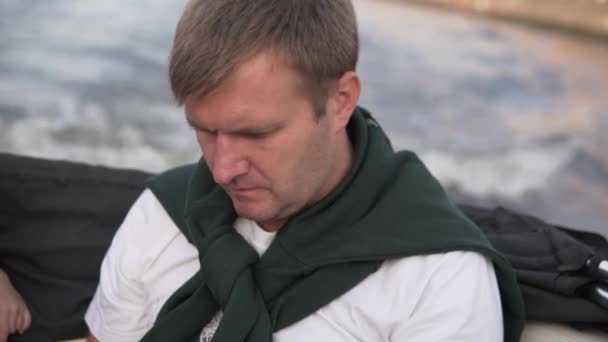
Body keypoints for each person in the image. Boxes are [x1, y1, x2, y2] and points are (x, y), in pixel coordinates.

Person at [85, 1, 525, 341]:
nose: (221, 170)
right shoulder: (163, 213)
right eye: (203, 130)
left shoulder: (439, 277)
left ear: (340, 101)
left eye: (255, 134)